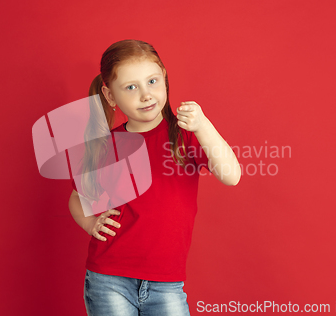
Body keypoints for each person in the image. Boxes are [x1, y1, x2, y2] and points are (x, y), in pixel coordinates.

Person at [68, 39, 241, 316]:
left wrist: (203, 126)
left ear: (165, 79)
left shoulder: (186, 136)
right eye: (131, 87)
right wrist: (90, 224)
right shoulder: (106, 145)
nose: (146, 95)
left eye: (152, 81)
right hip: (109, 278)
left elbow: (232, 175)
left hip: (167, 282)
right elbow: (77, 197)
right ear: (110, 95)